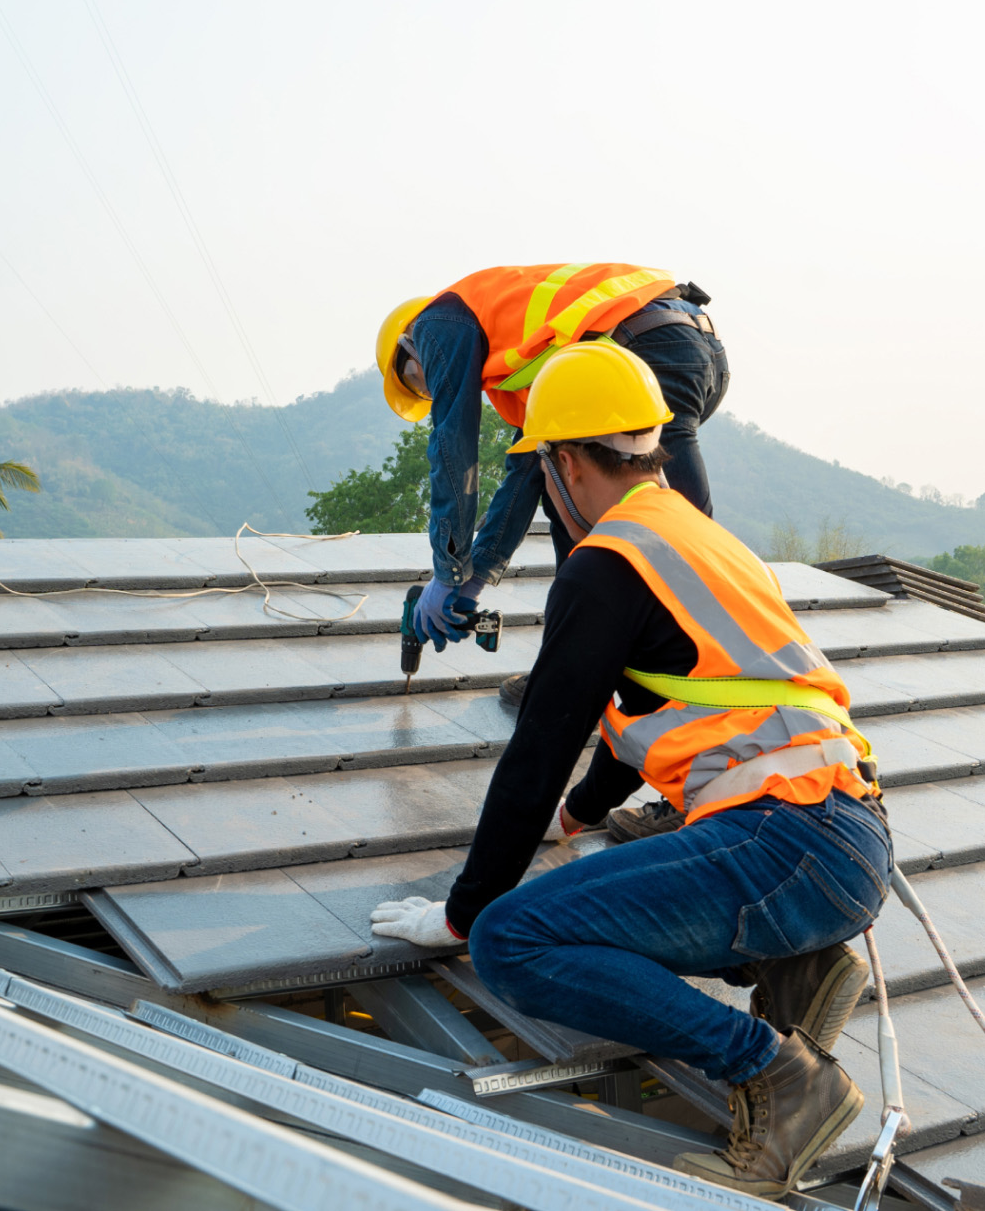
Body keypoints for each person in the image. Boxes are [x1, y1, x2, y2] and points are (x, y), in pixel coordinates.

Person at [371, 342, 892, 1201]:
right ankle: (796, 968)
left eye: (543, 468)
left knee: (515, 939)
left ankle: (778, 1075)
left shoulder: (608, 564)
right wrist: (583, 813)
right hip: (844, 837)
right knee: (594, 898)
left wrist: (464, 913)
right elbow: (658, 702)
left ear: (568, 462)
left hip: (782, 839)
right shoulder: (694, 536)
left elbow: (537, 750)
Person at [376, 264, 729, 713]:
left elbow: (452, 452)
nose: (429, 391)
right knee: (574, 489)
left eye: (414, 380)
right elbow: (526, 474)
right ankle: (587, 666)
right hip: (694, 345)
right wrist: (475, 578)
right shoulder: (527, 364)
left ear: (410, 345)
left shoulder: (436, 322)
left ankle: (637, 673)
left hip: (645, 347)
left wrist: (447, 571)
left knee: (678, 539)